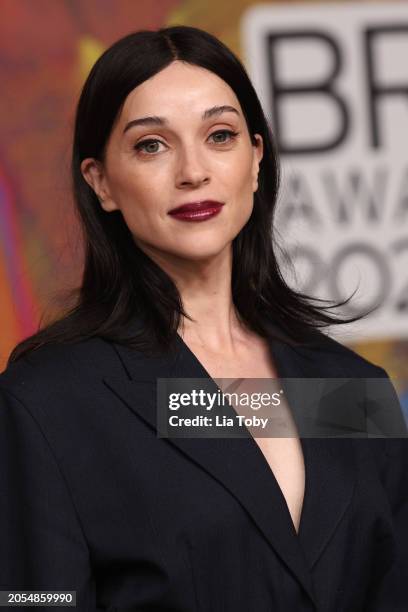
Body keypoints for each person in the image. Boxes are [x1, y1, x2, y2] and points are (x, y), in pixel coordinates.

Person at [0, 25, 407, 611]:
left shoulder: (351, 390)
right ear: (101, 182)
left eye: (220, 135)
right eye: (151, 145)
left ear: (256, 158)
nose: (193, 171)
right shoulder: (49, 404)